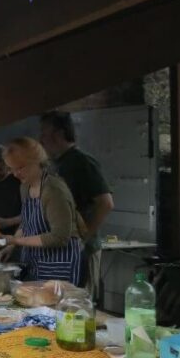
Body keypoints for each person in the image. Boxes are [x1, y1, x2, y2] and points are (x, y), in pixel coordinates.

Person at [39, 111, 114, 293]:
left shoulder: (81, 162)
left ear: (58, 134)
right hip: (60, 249)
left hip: (82, 251)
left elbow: (105, 203)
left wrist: (84, 237)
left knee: (78, 303)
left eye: (44, 133)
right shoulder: (57, 164)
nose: (40, 139)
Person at [0, 138, 83, 284]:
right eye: (12, 169)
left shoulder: (54, 191)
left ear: (36, 161)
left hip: (59, 264)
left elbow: (59, 237)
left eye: (20, 168)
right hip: (33, 262)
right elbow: (27, 223)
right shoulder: (25, 187)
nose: (15, 174)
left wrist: (15, 240)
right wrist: (11, 246)